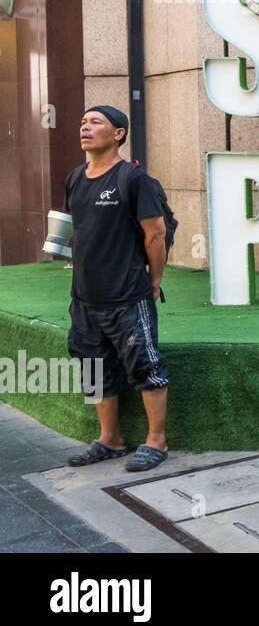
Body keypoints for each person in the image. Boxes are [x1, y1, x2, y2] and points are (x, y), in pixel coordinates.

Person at [62, 105, 171, 473]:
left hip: (127, 296)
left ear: (119, 133)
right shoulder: (76, 177)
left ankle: (156, 441)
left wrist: (153, 281)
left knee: (145, 366)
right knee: (92, 369)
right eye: (83, 122)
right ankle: (110, 439)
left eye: (95, 122)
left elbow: (155, 234)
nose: (85, 127)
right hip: (84, 300)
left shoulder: (134, 180)